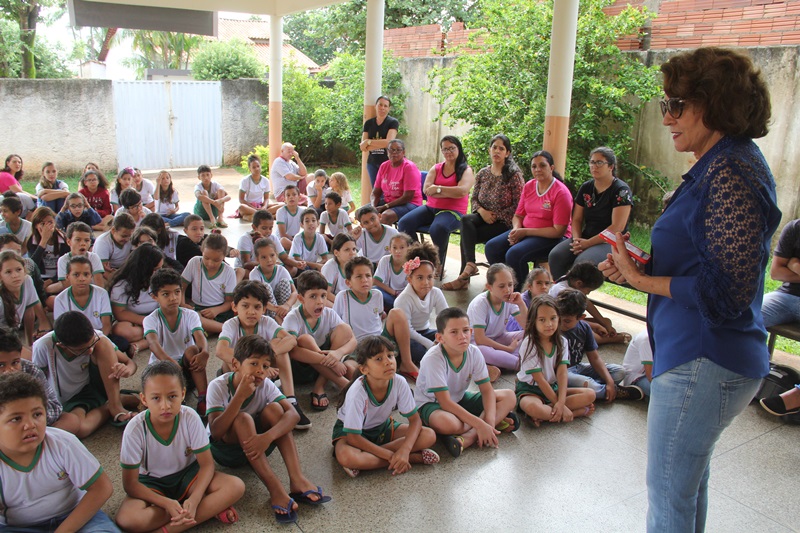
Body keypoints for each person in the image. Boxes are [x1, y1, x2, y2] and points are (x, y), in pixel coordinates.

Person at [599, 47, 780, 532]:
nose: (667, 117)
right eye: (664, 105)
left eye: (676, 104)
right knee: (684, 490)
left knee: (668, 503)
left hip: (706, 355)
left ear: (713, 103)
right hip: (696, 351)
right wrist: (640, 266)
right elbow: (709, 255)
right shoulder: (716, 163)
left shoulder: (732, 173)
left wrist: (641, 281)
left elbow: (728, 290)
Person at [206, 335, 331, 525]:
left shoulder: (265, 385)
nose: (260, 371)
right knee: (243, 418)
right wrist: (239, 397)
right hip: (228, 451)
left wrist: (267, 437)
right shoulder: (218, 386)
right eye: (254, 363)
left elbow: (294, 415)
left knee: (276, 410)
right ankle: (275, 490)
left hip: (257, 443)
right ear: (235, 365)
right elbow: (215, 432)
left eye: (265, 366)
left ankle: (297, 479)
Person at [116, 361, 245, 532]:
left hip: (189, 475)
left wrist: (196, 498)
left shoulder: (190, 417)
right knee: (127, 520)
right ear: (144, 399)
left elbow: (207, 465)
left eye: (172, 396)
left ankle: (170, 528)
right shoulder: (135, 429)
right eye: (156, 398)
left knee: (236, 486)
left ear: (183, 394)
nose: (165, 406)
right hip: (152, 484)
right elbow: (130, 484)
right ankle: (205, 509)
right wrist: (166, 503)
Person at [0, 372, 119, 531]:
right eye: (16, 419)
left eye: (37, 414)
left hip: (75, 516)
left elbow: (101, 488)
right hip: (20, 526)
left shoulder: (63, 443)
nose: (30, 425)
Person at [414, 307, 519, 458]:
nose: (462, 336)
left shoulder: (474, 352)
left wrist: (488, 422)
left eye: (465, 331)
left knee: (509, 395)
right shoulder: (434, 359)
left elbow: (487, 390)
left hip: (460, 399)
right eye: (454, 332)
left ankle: (469, 437)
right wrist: (480, 423)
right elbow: (445, 403)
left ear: (471, 332)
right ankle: (491, 423)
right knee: (448, 424)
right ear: (440, 337)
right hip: (432, 404)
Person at [333, 335, 439, 478]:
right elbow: (353, 437)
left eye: (390, 356)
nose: (388, 362)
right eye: (378, 359)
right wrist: (390, 455)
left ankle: (370, 461)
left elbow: (415, 421)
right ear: (364, 369)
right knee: (347, 457)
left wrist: (405, 450)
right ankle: (413, 458)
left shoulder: (399, 382)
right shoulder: (358, 392)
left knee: (428, 435)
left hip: (383, 427)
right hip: (352, 434)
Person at [216, 280, 309, 429]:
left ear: (264, 309)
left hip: (259, 371)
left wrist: (265, 359)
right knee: (231, 354)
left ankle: (291, 399)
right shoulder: (231, 325)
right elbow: (220, 351)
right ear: (234, 307)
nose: (251, 312)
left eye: (257, 307)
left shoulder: (267, 322)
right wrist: (258, 363)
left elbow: (291, 340)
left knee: (280, 349)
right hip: (235, 372)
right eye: (245, 306)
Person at [33, 311, 138, 435]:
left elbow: (130, 363)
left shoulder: (96, 337)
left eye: (91, 344)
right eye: (82, 350)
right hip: (70, 398)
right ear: (61, 346)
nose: (90, 351)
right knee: (81, 429)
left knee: (103, 343)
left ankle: (115, 405)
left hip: (98, 386)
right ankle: (117, 402)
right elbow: (37, 382)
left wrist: (127, 370)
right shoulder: (43, 346)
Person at [444, 134, 524, 291]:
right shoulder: (482, 173)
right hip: (482, 216)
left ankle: (464, 276)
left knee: (467, 236)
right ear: (489, 150)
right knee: (466, 221)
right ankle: (470, 266)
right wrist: (482, 212)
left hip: (505, 223)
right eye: (494, 147)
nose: (497, 151)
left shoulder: (514, 175)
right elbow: (474, 199)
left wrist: (495, 216)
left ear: (507, 153)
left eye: (501, 148)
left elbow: (519, 206)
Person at [485, 150, 572, 290]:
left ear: (551, 168)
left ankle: (522, 295)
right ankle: (503, 287)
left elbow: (558, 231)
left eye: (542, 165)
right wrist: (516, 230)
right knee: (492, 247)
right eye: (534, 166)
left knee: (514, 254)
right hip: (525, 232)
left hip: (550, 237)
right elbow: (518, 215)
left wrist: (524, 232)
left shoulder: (561, 192)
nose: (537, 169)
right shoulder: (529, 186)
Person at [548, 147, 634, 280]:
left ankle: (576, 297)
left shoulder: (621, 190)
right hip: (585, 237)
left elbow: (617, 227)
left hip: (610, 242)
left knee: (582, 264)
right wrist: (577, 240)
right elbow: (576, 219)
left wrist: (587, 244)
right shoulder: (586, 187)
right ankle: (563, 293)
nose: (594, 166)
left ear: (611, 166)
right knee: (556, 256)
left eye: (599, 163)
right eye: (592, 162)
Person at [515, 294, 596, 426]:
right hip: (530, 390)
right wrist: (561, 406)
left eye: (553, 318)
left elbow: (562, 373)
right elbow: (539, 379)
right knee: (532, 407)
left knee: (590, 394)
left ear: (559, 318)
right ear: (533, 321)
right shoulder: (529, 344)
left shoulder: (562, 341)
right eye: (542, 320)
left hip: (553, 388)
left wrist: (561, 402)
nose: (549, 324)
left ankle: (545, 415)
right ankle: (575, 413)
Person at [333, 256, 419, 380]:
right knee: (350, 369)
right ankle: (376, 374)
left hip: (379, 340)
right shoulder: (342, 297)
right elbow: (336, 327)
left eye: (368, 276)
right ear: (348, 282)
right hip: (357, 345)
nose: (365, 280)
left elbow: (378, 317)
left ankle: (407, 363)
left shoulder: (377, 295)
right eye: (359, 277)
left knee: (397, 313)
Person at [398, 136, 475, 274]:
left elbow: (462, 191)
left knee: (437, 228)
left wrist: (438, 189)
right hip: (430, 208)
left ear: (459, 149)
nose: (448, 152)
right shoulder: (437, 168)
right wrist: (450, 191)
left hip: (453, 212)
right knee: (404, 223)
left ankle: (437, 264)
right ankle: (420, 258)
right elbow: (427, 190)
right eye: (445, 149)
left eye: (452, 148)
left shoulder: (466, 170)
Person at [283, 271, 356, 410]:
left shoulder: (329, 313)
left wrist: (338, 354)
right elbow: (292, 351)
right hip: (301, 370)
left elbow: (353, 340)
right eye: (313, 296)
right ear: (301, 298)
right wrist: (331, 363)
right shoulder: (292, 318)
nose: (320, 301)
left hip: (321, 370)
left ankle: (319, 386)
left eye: (323, 295)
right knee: (305, 339)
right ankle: (345, 385)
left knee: (345, 329)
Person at [142, 268, 210, 416]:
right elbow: (153, 344)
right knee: (155, 395)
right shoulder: (150, 319)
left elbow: (199, 336)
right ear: (155, 296)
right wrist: (169, 361)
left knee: (193, 350)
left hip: (187, 368)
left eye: (177, 292)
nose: (173, 298)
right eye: (166, 294)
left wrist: (204, 352)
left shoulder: (190, 315)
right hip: (162, 366)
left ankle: (203, 397)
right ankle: (176, 398)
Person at [555, 288, 642, 402]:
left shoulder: (584, 328)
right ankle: (612, 391)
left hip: (578, 367)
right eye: (557, 318)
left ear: (581, 318)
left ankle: (593, 389)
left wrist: (609, 381)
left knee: (619, 372)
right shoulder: (552, 329)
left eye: (567, 321)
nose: (560, 324)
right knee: (589, 384)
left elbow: (594, 358)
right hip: (561, 373)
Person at [0, 326, 80, 433]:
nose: (9, 370)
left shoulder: (30, 370)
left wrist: (32, 414)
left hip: (32, 424)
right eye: (1, 365)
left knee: (71, 420)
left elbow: (55, 406)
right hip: (6, 429)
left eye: (15, 362)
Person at [394, 241, 449, 368]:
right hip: (405, 336)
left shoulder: (436, 292)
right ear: (410, 279)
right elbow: (408, 330)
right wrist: (430, 344)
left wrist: (440, 336)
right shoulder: (403, 299)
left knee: (450, 338)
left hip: (425, 331)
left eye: (429, 277)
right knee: (420, 351)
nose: (426, 282)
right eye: (420, 278)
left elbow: (445, 318)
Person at [549, 261, 630, 345]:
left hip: (570, 321)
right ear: (579, 283)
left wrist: (603, 322)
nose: (588, 293)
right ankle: (613, 339)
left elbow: (587, 303)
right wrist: (596, 326)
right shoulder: (563, 292)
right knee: (590, 335)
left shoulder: (570, 281)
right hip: (558, 324)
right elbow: (566, 321)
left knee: (607, 321)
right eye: (588, 290)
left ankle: (603, 333)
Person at [467, 263, 527, 373]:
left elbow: (528, 327)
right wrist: (508, 349)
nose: (507, 290)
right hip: (478, 344)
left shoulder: (509, 300)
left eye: (510, 285)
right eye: (501, 286)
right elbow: (480, 339)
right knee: (480, 351)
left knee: (532, 334)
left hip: (499, 337)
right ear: (489, 287)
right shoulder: (480, 303)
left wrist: (521, 304)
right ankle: (520, 363)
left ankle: (498, 362)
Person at [109, 244, 164, 354]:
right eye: (155, 270)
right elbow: (119, 313)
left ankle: (139, 345)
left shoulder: (161, 277)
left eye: (160, 268)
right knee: (121, 330)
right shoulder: (122, 285)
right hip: (135, 321)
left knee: (177, 322)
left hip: (159, 317)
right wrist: (146, 321)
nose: (159, 272)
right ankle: (157, 335)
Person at [181, 233, 237, 335]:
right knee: (191, 316)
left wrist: (216, 310)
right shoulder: (194, 262)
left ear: (224, 256)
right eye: (206, 258)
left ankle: (213, 329)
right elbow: (181, 287)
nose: (210, 263)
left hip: (220, 311)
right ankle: (222, 329)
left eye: (216, 260)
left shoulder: (229, 272)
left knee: (193, 323)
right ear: (202, 251)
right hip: (198, 309)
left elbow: (229, 302)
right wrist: (182, 303)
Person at [0, 250, 51, 346]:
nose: (15, 275)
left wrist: (29, 343)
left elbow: (29, 311)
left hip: (12, 334)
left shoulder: (27, 280)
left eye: (18, 269)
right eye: (8, 272)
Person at [54, 256, 113, 336]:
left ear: (91, 276)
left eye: (86, 274)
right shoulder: (60, 299)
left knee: (122, 343)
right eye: (76, 275)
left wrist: (96, 342)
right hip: (73, 338)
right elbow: (61, 329)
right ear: (67, 277)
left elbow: (106, 325)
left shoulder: (102, 293)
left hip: (99, 337)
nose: (82, 279)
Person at [370, 139, 423, 225]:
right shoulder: (384, 166)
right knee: (361, 213)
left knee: (385, 216)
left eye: (398, 150)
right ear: (387, 152)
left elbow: (408, 197)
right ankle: (370, 238)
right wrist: (373, 208)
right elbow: (375, 193)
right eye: (391, 150)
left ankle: (387, 238)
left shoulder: (409, 167)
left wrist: (385, 207)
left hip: (410, 203)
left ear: (404, 152)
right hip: (389, 201)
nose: (394, 152)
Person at [761, 218, 800, 328]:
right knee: (745, 318)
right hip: (787, 296)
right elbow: (776, 273)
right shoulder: (795, 228)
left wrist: (794, 265)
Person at [249, 238, 298, 318]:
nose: (269, 260)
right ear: (257, 259)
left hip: (283, 309)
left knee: (285, 282)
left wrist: (286, 305)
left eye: (272, 255)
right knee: (265, 287)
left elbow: (294, 292)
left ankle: (285, 317)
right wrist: (275, 310)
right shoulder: (254, 274)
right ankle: (278, 321)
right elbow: (258, 299)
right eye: (264, 257)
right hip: (266, 309)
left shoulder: (281, 270)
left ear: (276, 254)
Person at [27, 207, 70, 295]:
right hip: (40, 279)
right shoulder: (32, 241)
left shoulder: (63, 240)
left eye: (50, 222)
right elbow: (32, 266)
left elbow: (67, 265)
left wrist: (50, 281)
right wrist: (43, 241)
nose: (47, 227)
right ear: (36, 225)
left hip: (58, 278)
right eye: (43, 224)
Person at [360, 95, 399, 187]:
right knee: (376, 191)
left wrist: (368, 142)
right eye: (380, 105)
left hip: (387, 162)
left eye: (385, 106)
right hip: (372, 163)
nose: (382, 108)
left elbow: (389, 142)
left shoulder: (392, 122)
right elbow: (363, 146)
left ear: (389, 108)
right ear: (375, 106)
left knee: (388, 190)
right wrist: (380, 143)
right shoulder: (368, 123)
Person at [56, 221, 105, 288]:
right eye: (78, 240)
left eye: (86, 240)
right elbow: (68, 288)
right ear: (68, 242)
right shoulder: (63, 260)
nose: (83, 243)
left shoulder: (94, 257)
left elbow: (100, 287)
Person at [373, 232, 412, 311]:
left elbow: (412, 287)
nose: (398, 251)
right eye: (394, 247)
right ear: (390, 249)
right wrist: (394, 292)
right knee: (374, 290)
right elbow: (376, 281)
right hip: (389, 293)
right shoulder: (385, 260)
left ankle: (393, 308)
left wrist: (400, 296)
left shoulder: (411, 263)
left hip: (405, 296)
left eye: (402, 247)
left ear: (408, 248)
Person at [506, 267, 553, 333]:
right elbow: (521, 326)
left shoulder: (548, 299)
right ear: (529, 286)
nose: (544, 287)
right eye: (539, 283)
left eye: (547, 283)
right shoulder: (521, 301)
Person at [94, 212, 135, 278]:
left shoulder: (132, 238)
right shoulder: (102, 242)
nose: (127, 239)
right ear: (113, 230)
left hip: (125, 270)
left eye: (129, 236)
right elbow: (102, 270)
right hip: (108, 273)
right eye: (124, 236)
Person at [320, 233, 358, 302]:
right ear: (336, 253)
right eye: (347, 250)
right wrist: (344, 304)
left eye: (354, 249)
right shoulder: (330, 267)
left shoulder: (356, 265)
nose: (352, 253)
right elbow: (326, 293)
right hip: (333, 300)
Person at [239, 154, 279, 219]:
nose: (257, 169)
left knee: (282, 205)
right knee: (241, 207)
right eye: (254, 167)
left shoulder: (265, 180)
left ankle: (255, 216)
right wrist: (253, 208)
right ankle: (266, 215)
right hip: (249, 207)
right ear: (250, 169)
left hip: (260, 206)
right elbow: (241, 199)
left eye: (258, 166)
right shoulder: (245, 181)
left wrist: (264, 207)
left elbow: (266, 198)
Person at [621, 330, 653, 399]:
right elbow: (650, 374)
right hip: (637, 378)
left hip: (651, 374)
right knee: (666, 393)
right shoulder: (647, 340)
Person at [276, 184, 304, 250]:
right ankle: (299, 250)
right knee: (283, 241)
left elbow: (306, 227)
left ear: (299, 197)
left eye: (294, 194)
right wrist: (294, 239)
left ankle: (298, 249)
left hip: (295, 238)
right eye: (288, 195)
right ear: (284, 199)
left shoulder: (303, 211)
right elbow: (282, 234)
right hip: (283, 239)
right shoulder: (280, 211)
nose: (291, 197)